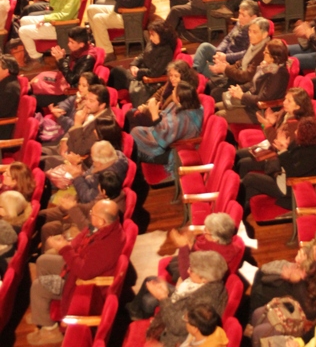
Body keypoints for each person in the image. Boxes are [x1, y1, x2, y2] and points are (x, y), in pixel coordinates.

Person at [28, 199, 125, 345]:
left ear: (102, 221)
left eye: (92, 213)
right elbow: (79, 241)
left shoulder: (107, 245)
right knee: (43, 261)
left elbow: (84, 272)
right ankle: (43, 309)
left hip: (82, 284)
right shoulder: (102, 227)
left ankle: (50, 330)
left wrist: (64, 249)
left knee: (38, 286)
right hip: (77, 265)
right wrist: (66, 244)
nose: (90, 214)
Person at [127, 251, 228, 347]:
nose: (188, 271)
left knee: (147, 301)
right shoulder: (209, 284)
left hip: (174, 338)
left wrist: (163, 297)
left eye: (192, 270)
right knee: (151, 280)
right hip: (177, 313)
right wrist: (168, 291)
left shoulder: (205, 301)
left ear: (204, 279)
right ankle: (134, 311)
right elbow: (183, 299)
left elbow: (176, 327)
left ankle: (136, 316)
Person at [242, 117, 316, 213]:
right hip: (281, 176)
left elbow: (292, 171)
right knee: (251, 189)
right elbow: (289, 156)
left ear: (306, 135)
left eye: (299, 130)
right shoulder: (303, 142)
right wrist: (284, 147)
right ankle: (241, 211)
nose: (295, 131)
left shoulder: (314, 154)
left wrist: (283, 151)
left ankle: (237, 208)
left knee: (250, 178)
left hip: (290, 186)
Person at [235, 87, 315, 178]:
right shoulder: (286, 112)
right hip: (270, 147)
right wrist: (272, 120)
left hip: (278, 157)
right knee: (238, 154)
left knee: (243, 164)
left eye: (289, 101)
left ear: (298, 106)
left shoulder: (297, 125)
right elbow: (276, 119)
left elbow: (277, 143)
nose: (284, 102)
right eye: (285, 99)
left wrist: (267, 125)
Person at [19, 0, 84, 69]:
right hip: (56, 20)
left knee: (23, 31)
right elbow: (54, 6)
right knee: (23, 20)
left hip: (62, 27)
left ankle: (36, 58)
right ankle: (30, 49)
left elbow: (65, 15)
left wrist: (45, 19)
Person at [131, 82, 203, 172]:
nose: (172, 91)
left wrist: (154, 113)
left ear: (178, 98)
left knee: (133, 145)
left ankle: (137, 176)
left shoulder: (182, 119)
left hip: (169, 149)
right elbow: (166, 120)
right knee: (135, 132)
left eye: (174, 90)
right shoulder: (188, 105)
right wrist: (152, 111)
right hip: (165, 135)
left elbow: (162, 137)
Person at [216, 38, 290, 124]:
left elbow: (263, 98)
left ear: (274, 57)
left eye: (266, 52)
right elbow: (253, 83)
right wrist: (239, 88)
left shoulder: (279, 75)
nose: (263, 53)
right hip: (250, 100)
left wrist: (242, 96)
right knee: (216, 107)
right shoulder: (271, 66)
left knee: (219, 115)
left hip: (259, 110)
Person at [192, 0, 259, 80]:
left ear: (253, 17)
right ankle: (194, 72)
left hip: (232, 65)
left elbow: (246, 54)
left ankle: (193, 77)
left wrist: (226, 57)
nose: (239, 17)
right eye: (239, 13)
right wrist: (219, 52)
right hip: (224, 55)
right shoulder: (240, 23)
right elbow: (227, 38)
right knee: (204, 46)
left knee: (204, 66)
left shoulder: (254, 32)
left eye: (243, 15)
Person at [108, 21, 177, 98]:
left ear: (162, 35)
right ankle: (114, 96)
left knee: (117, 71)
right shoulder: (152, 42)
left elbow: (154, 73)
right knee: (116, 73)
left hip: (148, 82)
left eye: (153, 35)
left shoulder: (166, 51)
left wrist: (138, 72)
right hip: (140, 73)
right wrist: (134, 65)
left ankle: (111, 97)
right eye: (150, 34)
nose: (150, 37)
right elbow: (143, 54)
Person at [207, 17, 270, 102]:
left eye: (254, 32)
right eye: (249, 31)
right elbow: (242, 61)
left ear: (264, 34)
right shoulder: (254, 43)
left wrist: (226, 68)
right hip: (238, 76)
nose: (250, 35)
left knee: (216, 93)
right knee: (210, 84)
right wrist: (228, 67)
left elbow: (247, 76)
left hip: (247, 85)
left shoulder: (265, 52)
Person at [29, 25, 97, 101]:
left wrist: (61, 60)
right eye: (69, 41)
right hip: (64, 79)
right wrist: (61, 58)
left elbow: (72, 79)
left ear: (81, 44)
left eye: (72, 42)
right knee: (39, 77)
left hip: (69, 89)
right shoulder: (79, 51)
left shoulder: (88, 58)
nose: (68, 44)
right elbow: (66, 67)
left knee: (34, 92)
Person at [0, 55, 21, 141]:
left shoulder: (10, 88)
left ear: (6, 70)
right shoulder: (6, 83)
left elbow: (2, 112)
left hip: (4, 131)